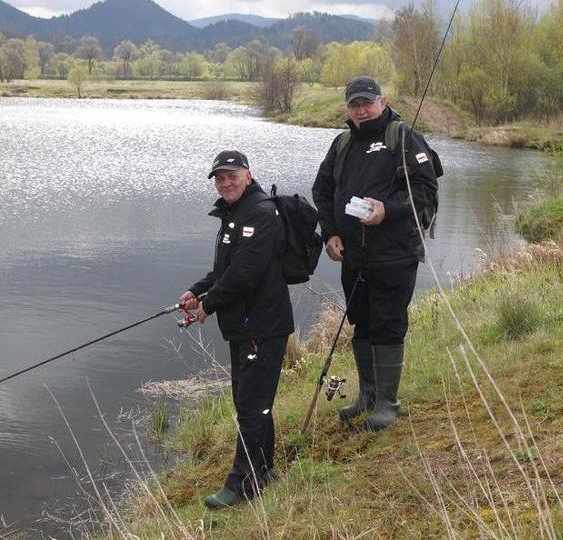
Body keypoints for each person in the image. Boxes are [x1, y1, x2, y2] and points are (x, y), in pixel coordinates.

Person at [311, 76, 438, 431]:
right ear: (348, 109)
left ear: (382, 102)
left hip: (395, 253)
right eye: (354, 105)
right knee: (362, 323)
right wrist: (330, 232)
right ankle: (367, 396)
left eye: (367, 103)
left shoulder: (403, 137)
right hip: (354, 256)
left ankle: (387, 403)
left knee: (387, 325)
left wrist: (388, 209)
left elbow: (426, 189)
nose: (361, 110)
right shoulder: (342, 143)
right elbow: (322, 191)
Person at [180, 150, 293, 508]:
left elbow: (245, 273)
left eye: (232, 176)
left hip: (261, 324)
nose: (226, 183)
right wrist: (197, 290)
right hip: (245, 324)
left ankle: (242, 483)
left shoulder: (260, 213)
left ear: (248, 174)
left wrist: (208, 304)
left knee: (250, 406)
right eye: (220, 177)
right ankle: (264, 471)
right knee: (254, 403)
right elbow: (226, 270)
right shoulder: (235, 213)